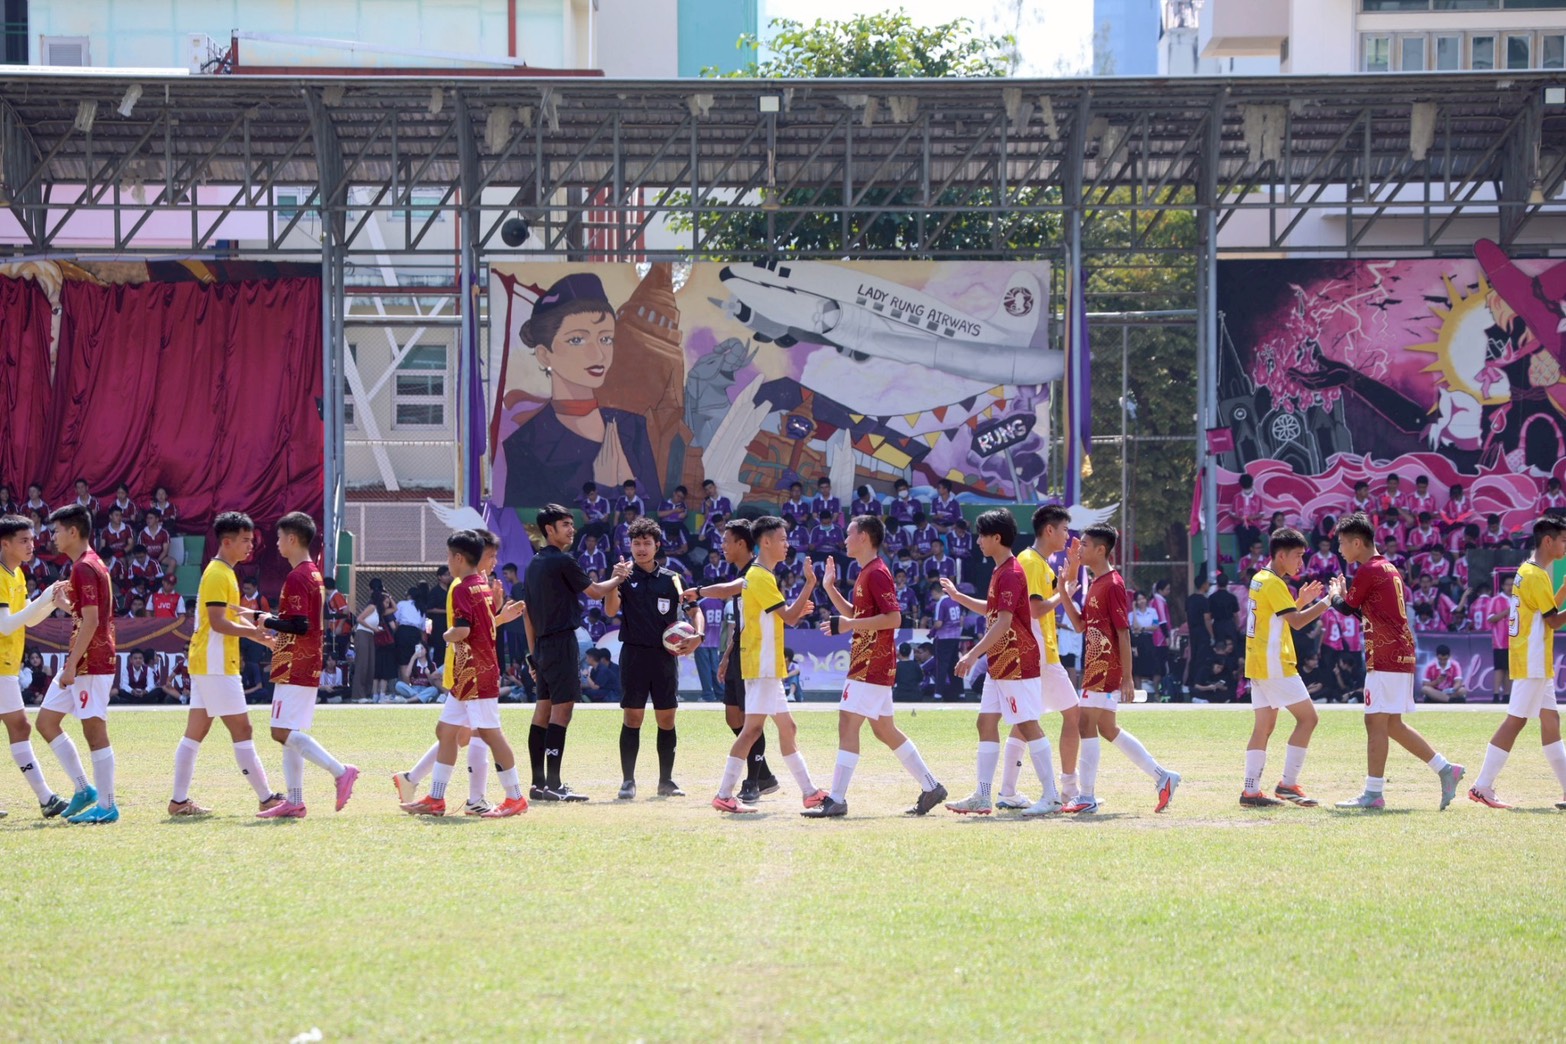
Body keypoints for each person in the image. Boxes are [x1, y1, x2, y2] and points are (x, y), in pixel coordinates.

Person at [800, 515, 947, 818]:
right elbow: (857, 615)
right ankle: (931, 786)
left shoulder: (877, 572)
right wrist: (830, 588)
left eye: (849, 533)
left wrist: (849, 624)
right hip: (872, 660)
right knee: (884, 729)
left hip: (871, 661)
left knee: (848, 723)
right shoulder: (868, 571)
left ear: (864, 537)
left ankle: (837, 798)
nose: (845, 539)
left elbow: (894, 618)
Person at [1327, 513, 1464, 810]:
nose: (1340, 549)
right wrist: (1345, 599)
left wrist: (1335, 595)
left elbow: (1347, 608)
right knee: (1391, 724)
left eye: (1342, 543)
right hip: (1399, 651)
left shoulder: (1369, 569)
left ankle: (1373, 793)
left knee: (1375, 721)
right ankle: (1445, 769)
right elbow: (1366, 612)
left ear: (1357, 542)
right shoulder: (1388, 567)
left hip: (1386, 654)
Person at [696, 517, 824, 814]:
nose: (787, 544)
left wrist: (798, 608)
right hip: (762, 665)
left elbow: (785, 616)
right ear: (765, 542)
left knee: (786, 728)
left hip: (766, 666)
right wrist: (809, 584)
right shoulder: (761, 576)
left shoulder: (759, 575)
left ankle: (810, 792)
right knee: (752, 730)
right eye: (782, 539)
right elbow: (789, 616)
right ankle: (725, 794)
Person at [500, 273, 661, 507]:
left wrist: (627, 482)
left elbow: (655, 513)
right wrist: (603, 488)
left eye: (606, 339)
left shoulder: (631, 427)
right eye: (577, 340)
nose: (598, 354)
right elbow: (527, 521)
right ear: (544, 354)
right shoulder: (526, 444)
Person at [400, 530, 530, 818]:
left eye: (449, 556)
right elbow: (484, 626)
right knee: (446, 731)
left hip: (473, 673)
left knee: (490, 734)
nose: (447, 562)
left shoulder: (461, 588)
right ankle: (436, 798)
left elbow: (462, 630)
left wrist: (444, 635)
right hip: (470, 672)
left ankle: (515, 797)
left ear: (459, 558)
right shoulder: (482, 585)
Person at [942, 510, 1063, 817]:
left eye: (982, 535)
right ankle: (983, 796)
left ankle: (1051, 796)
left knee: (1027, 724)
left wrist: (972, 654)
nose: (978, 541)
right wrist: (958, 597)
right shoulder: (1001, 570)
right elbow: (993, 610)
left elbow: (1004, 622)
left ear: (997, 538)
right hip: (1001, 662)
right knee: (985, 723)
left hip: (1016, 661)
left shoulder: (1010, 572)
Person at [1058, 524, 1181, 814]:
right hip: (1096, 665)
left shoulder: (1113, 584)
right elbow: (1080, 625)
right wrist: (1063, 590)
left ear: (1101, 550)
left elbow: (1124, 632)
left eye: (1085, 545)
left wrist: (1127, 677)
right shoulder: (1096, 582)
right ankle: (1163, 776)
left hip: (1105, 667)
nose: (1079, 549)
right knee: (1106, 728)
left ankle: (1086, 796)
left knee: (1085, 723)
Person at [165, 513, 282, 817]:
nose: (250, 545)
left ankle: (178, 802)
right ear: (226, 542)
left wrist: (258, 631)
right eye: (245, 540)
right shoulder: (219, 573)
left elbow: (229, 616)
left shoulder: (223, 571)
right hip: (215, 663)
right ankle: (267, 798)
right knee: (242, 728)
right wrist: (254, 633)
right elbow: (218, 622)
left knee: (195, 732)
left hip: (210, 661)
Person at [253, 512, 359, 819]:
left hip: (295, 662)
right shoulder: (312, 574)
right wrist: (273, 624)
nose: (277, 543)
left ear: (292, 539)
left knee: (280, 731)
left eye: (279, 538)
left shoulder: (298, 576)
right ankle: (295, 800)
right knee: (289, 732)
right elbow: (303, 623)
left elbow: (299, 625)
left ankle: (340, 771)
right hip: (302, 659)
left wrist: (268, 620)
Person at [523, 504, 631, 801]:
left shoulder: (534, 564)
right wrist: (619, 577)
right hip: (561, 643)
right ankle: (555, 785)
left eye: (572, 524)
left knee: (542, 712)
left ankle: (538, 784)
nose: (572, 530)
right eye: (565, 525)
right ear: (549, 530)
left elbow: (527, 614)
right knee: (562, 711)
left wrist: (533, 656)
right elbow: (594, 591)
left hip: (543, 646)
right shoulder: (562, 560)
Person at [1468, 516, 1566, 809]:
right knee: (1516, 720)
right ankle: (1482, 786)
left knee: (1551, 721)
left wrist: (1563, 591)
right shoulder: (1536, 575)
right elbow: (1553, 621)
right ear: (1548, 541)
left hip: (1533, 658)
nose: (1565, 546)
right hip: (1532, 658)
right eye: (1563, 540)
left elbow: (1543, 610)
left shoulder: (1528, 570)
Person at [604, 516, 704, 798]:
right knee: (633, 717)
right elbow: (610, 611)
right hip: (634, 655)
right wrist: (614, 581)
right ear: (630, 546)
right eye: (636, 543)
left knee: (666, 719)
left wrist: (698, 635)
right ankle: (628, 782)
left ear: (657, 545)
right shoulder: (624, 577)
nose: (641, 548)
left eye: (646, 543)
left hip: (664, 657)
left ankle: (666, 781)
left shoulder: (673, 579)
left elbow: (694, 610)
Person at [34, 505, 120, 823]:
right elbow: (89, 614)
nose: (52, 537)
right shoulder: (89, 563)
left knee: (94, 731)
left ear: (73, 531)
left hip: (90, 661)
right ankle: (85, 790)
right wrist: (66, 605)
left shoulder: (83, 567)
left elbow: (93, 621)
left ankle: (108, 805)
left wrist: (71, 665)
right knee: (46, 722)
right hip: (83, 658)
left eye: (56, 531)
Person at [686, 519, 780, 803]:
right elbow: (740, 625)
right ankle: (765, 775)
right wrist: (727, 655)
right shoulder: (743, 572)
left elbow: (727, 589)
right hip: (739, 652)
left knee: (752, 721)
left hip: (756, 656)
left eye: (726, 541)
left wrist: (698, 591)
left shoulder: (754, 573)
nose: (722, 546)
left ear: (741, 543)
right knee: (733, 717)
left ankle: (752, 782)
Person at [1238, 527, 1330, 808]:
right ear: (1281, 556)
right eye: (1297, 556)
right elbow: (1297, 622)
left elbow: (1278, 616)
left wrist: (1300, 602)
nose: (1301, 563)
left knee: (1263, 727)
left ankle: (1250, 791)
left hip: (1258, 663)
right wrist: (1329, 601)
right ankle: (1288, 784)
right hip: (1275, 663)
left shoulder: (1260, 578)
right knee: (1309, 719)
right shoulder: (1275, 584)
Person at [1004, 504, 1085, 806]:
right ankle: (1069, 790)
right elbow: (1037, 608)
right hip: (1040, 652)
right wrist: (1062, 594)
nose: (1067, 535)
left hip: (1038, 650)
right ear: (1049, 530)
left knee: (1025, 720)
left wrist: (1073, 565)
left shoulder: (1039, 562)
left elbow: (1064, 588)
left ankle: (1008, 791)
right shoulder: (1032, 562)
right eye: (1064, 529)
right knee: (1073, 714)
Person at [0, 515, 69, 818]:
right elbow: (5, 626)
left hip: (7, 665)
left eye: (31, 539)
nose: (31, 545)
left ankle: (46, 799)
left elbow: (28, 619)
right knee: (20, 726)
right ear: (5, 544)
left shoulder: (15, 574)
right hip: (2, 666)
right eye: (24, 540)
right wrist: (44, 598)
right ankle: (46, 798)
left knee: (20, 726)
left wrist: (51, 602)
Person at [929, 580, 966, 701]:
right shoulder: (954, 600)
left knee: (941, 666)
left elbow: (939, 624)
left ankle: (938, 694)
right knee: (954, 665)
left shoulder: (941, 602)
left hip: (944, 638)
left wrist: (932, 630)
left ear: (935, 591)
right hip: (955, 637)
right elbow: (961, 620)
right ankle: (960, 693)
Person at [694, 588, 725, 702]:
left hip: (702, 641)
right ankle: (720, 693)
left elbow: (695, 618)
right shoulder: (720, 603)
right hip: (715, 640)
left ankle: (708, 694)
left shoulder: (701, 603)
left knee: (704, 669)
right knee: (715, 668)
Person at [1488, 573, 1514, 704]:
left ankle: (1507, 695)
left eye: (1512, 584)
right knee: (1499, 668)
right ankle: (1496, 694)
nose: (1510, 587)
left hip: (1515, 640)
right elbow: (1491, 618)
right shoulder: (1496, 600)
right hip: (1500, 640)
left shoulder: (1519, 599)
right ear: (1503, 586)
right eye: (1508, 584)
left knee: (1510, 669)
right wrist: (1506, 612)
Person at [1185, 574, 1213, 687]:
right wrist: (1212, 634)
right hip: (1202, 631)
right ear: (1203, 585)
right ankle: (1198, 681)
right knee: (1202, 657)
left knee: (1194, 655)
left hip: (1192, 631)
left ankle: (1190, 681)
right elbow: (1207, 618)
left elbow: (1187, 616)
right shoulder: (1204, 600)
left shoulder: (1190, 599)